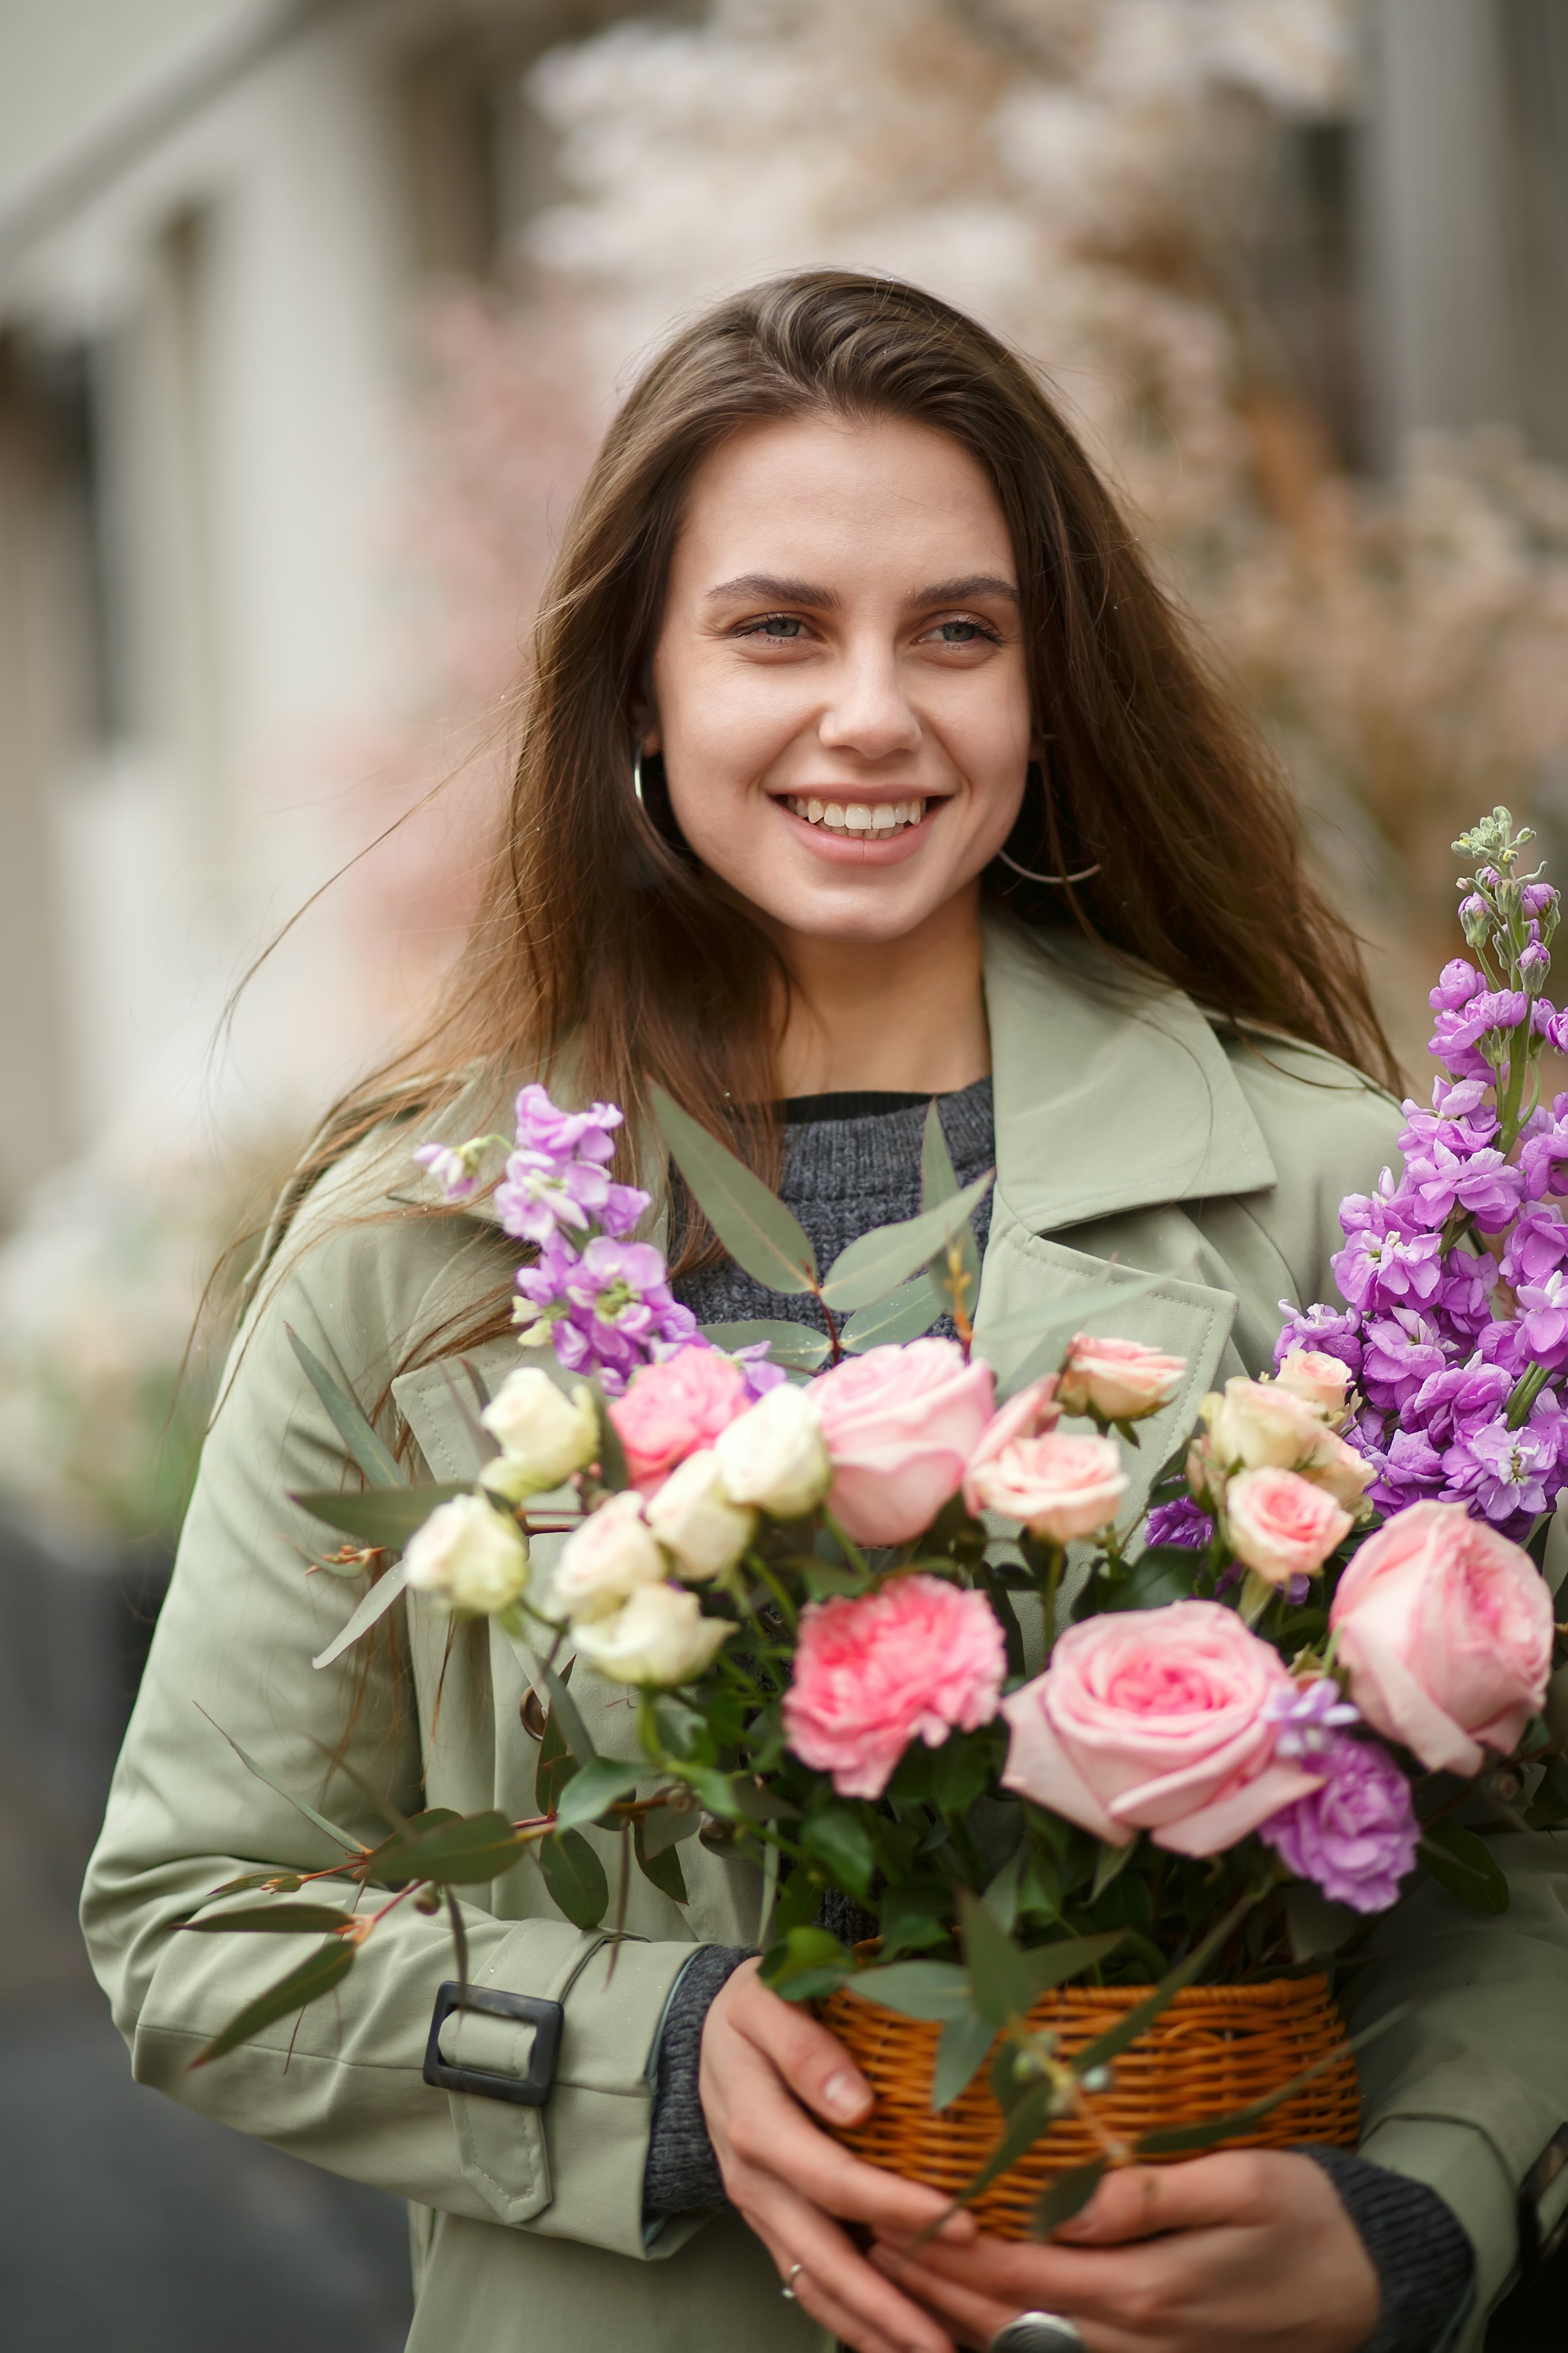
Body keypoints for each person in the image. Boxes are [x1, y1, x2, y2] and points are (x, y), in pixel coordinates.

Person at [82, 272, 1568, 2353]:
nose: (872, 710)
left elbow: (1533, 1863)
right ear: (638, 689)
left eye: (956, 633)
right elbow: (196, 1921)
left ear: (1048, 694)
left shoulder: (1348, 1194)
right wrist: (650, 2053)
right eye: (778, 627)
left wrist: (1420, 2208)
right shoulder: (414, 1255)